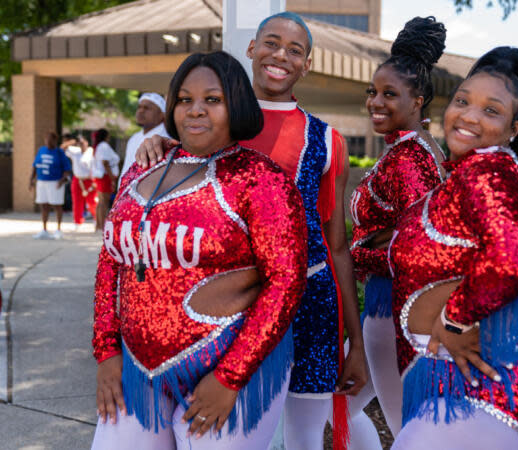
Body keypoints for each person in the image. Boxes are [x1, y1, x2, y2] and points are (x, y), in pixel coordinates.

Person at [135, 12, 370, 450]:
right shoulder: (211, 123)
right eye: (271, 43)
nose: (280, 55)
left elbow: (338, 246)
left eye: (295, 50)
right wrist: (160, 142)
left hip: (310, 303)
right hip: (231, 311)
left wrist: (355, 342)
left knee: (304, 435)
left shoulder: (327, 139)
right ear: (251, 48)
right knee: (231, 434)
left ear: (307, 64)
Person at [91, 51, 308, 450]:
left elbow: (285, 282)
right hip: (139, 369)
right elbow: (112, 261)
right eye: (185, 99)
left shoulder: (262, 180)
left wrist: (231, 376)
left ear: (236, 104)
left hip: (233, 365)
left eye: (213, 100)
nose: (196, 111)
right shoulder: (144, 167)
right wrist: (106, 352)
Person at [388, 47, 518, 450]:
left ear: (514, 128)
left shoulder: (488, 168)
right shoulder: (465, 176)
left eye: (491, 110)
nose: (470, 116)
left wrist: (456, 319)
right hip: (469, 382)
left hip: (496, 386)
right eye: (462, 101)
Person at [349, 16, 447, 437]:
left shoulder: (407, 159)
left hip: (391, 307)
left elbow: (416, 248)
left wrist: (355, 250)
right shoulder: (424, 149)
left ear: (418, 100)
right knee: (342, 401)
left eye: (390, 94)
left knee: (406, 428)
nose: (376, 102)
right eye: (373, 92)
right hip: (401, 306)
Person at [118, 93, 170, 184]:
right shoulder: (134, 138)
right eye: (139, 107)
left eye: (147, 108)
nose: (141, 111)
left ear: (162, 115)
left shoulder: (165, 140)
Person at [29, 131, 72, 239]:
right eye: (46, 139)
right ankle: (44, 229)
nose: (47, 141)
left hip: (55, 182)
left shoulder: (59, 152)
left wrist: (62, 180)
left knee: (57, 205)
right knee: (43, 205)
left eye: (50, 139)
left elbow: (67, 169)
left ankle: (58, 230)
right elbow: (35, 165)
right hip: (42, 181)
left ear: (55, 140)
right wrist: (31, 180)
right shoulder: (41, 150)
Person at [64, 135, 97, 229]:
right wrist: (73, 141)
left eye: (83, 142)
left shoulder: (91, 152)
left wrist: (95, 180)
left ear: (87, 143)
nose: (82, 144)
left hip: (89, 180)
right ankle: (77, 221)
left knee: (92, 202)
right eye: (80, 143)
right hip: (78, 179)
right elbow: (62, 148)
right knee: (77, 201)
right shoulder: (75, 152)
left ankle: (97, 219)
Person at [92, 128, 120, 231]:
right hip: (105, 176)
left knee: (101, 202)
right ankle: (102, 224)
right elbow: (105, 162)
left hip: (102, 176)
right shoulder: (104, 146)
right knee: (104, 202)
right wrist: (112, 177)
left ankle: (98, 224)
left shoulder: (99, 146)